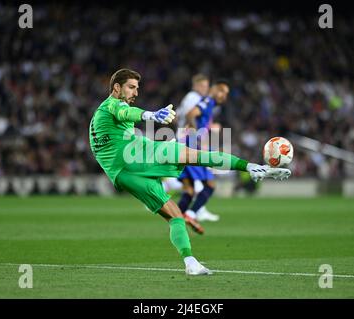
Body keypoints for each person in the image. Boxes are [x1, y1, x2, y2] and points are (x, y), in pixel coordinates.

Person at [89, 68, 291, 275]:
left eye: (137, 88)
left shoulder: (99, 115)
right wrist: (150, 114)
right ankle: (250, 167)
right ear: (116, 87)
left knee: (175, 215)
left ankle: (190, 263)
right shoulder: (113, 105)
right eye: (131, 87)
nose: (136, 92)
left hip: (121, 175)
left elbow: (104, 140)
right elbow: (124, 111)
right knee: (194, 155)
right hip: (135, 156)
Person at [176, 79, 230, 227]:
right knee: (210, 185)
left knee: (189, 190)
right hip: (191, 146)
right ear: (215, 90)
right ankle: (190, 214)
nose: (224, 97)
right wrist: (195, 136)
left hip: (183, 145)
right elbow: (190, 114)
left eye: (226, 94)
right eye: (222, 92)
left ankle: (177, 223)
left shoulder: (208, 103)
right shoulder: (207, 101)